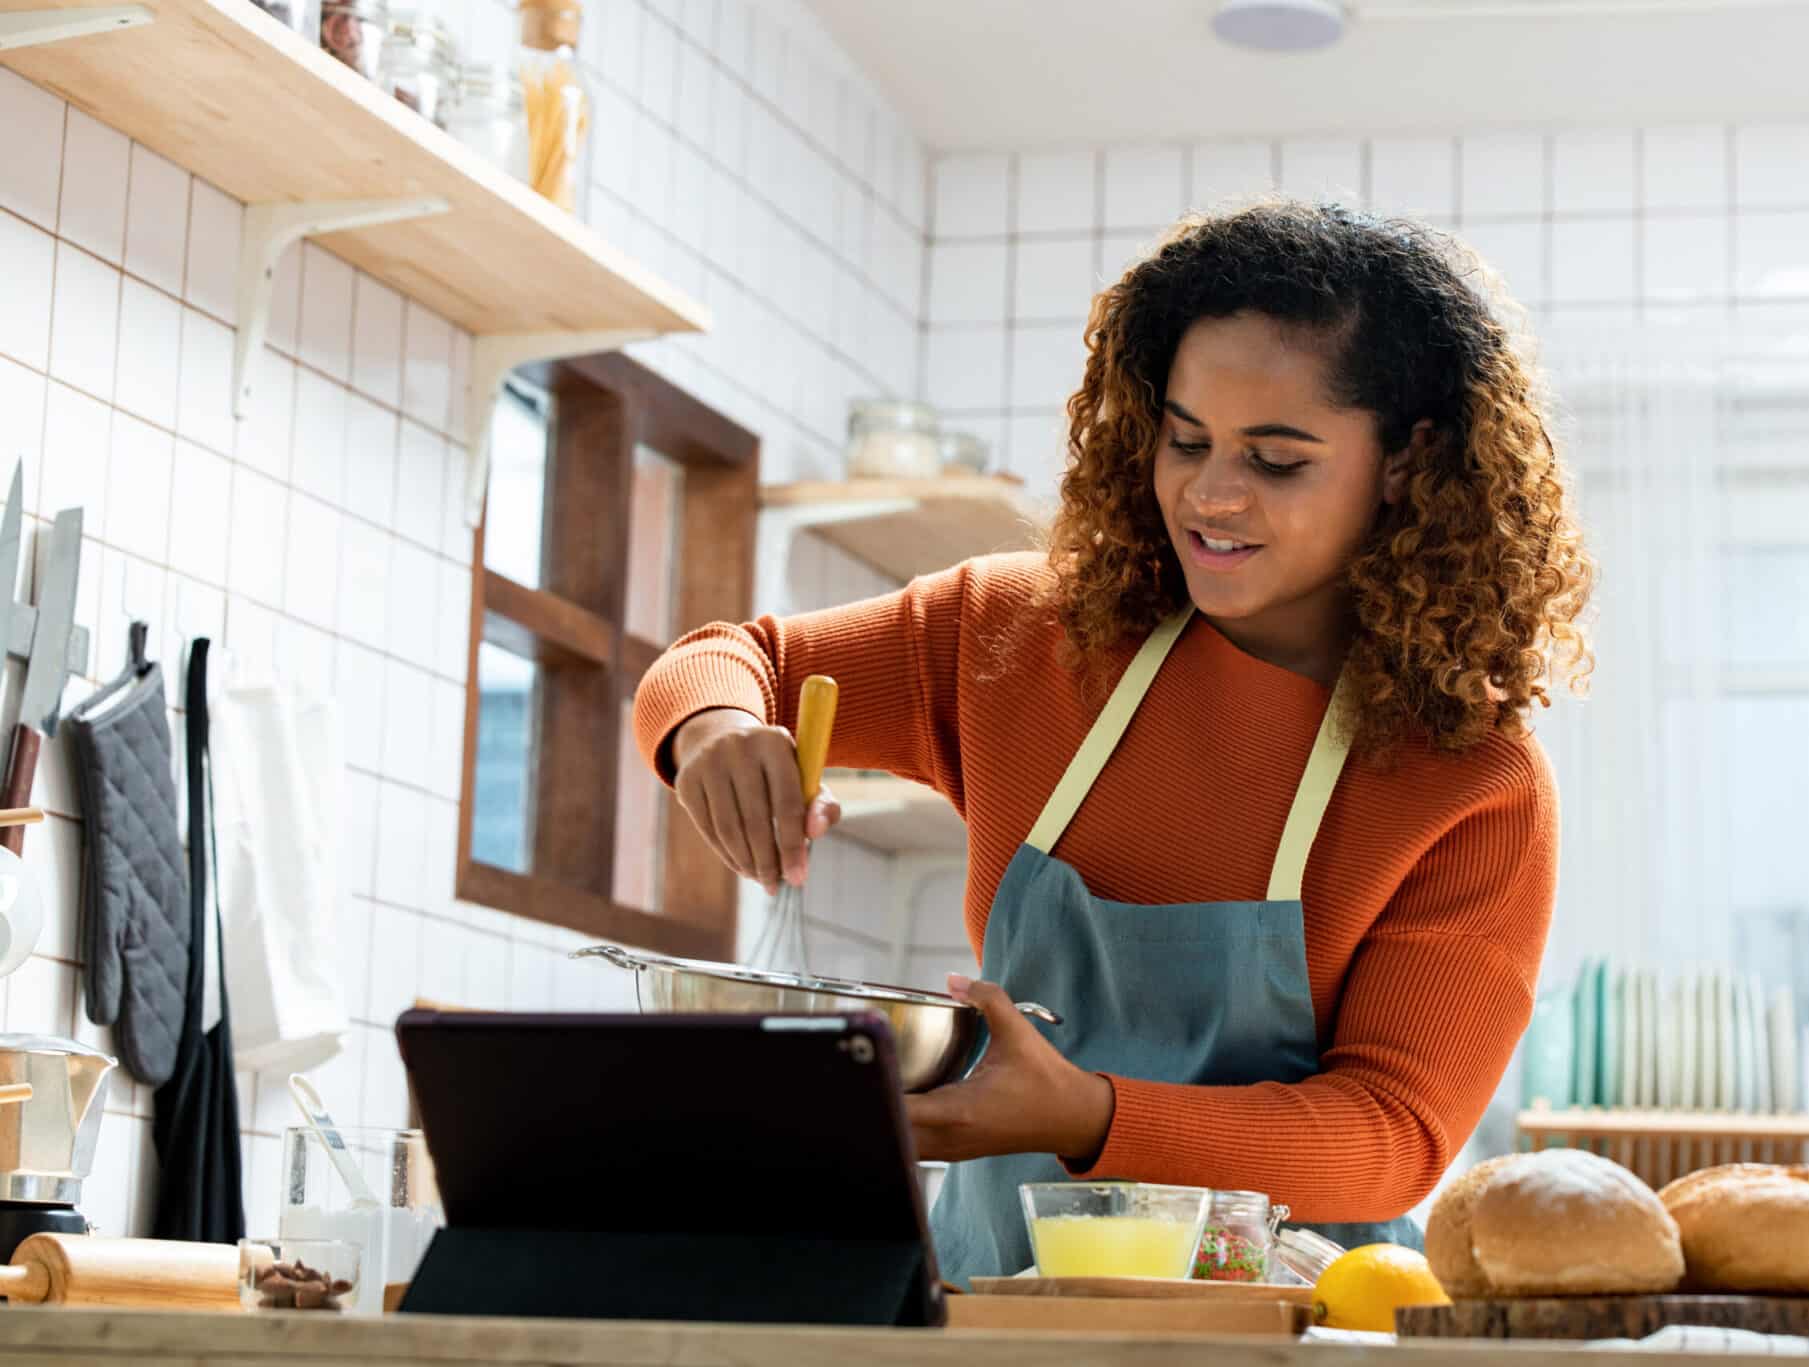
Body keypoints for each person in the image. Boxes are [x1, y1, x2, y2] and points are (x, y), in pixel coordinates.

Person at [632, 198, 1594, 1282]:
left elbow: (1391, 1134)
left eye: (1276, 461)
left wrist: (1088, 1114)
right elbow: (725, 658)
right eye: (1185, 440)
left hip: (1289, 1337)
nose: (1209, 494)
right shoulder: (1019, 631)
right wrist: (712, 731)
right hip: (994, 1313)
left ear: (1408, 465)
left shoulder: (1471, 780)